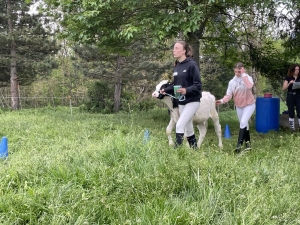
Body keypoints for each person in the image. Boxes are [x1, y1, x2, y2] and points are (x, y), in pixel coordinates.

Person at [160, 40, 202, 148]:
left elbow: (198, 85)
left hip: (193, 100)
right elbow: (175, 84)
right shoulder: (177, 66)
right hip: (181, 101)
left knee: (179, 125)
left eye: (177, 48)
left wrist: (186, 90)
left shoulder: (192, 64)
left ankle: (177, 154)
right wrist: (166, 90)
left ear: (183, 51)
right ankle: (195, 150)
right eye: (174, 48)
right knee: (188, 129)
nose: (174, 50)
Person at [216, 62, 255, 153]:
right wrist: (221, 101)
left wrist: (244, 75)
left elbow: (250, 86)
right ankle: (248, 145)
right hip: (239, 106)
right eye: (236, 71)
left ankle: (238, 147)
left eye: (239, 71)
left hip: (249, 104)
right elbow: (229, 95)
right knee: (245, 125)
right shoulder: (232, 82)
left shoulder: (247, 77)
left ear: (243, 69)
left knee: (243, 122)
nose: (238, 73)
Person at [282, 64, 300, 131]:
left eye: (298, 69)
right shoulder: (288, 78)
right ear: (292, 70)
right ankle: (292, 129)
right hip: (290, 95)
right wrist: (289, 83)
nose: (297, 71)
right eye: (296, 69)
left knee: (299, 111)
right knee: (291, 111)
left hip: (298, 95)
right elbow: (283, 88)